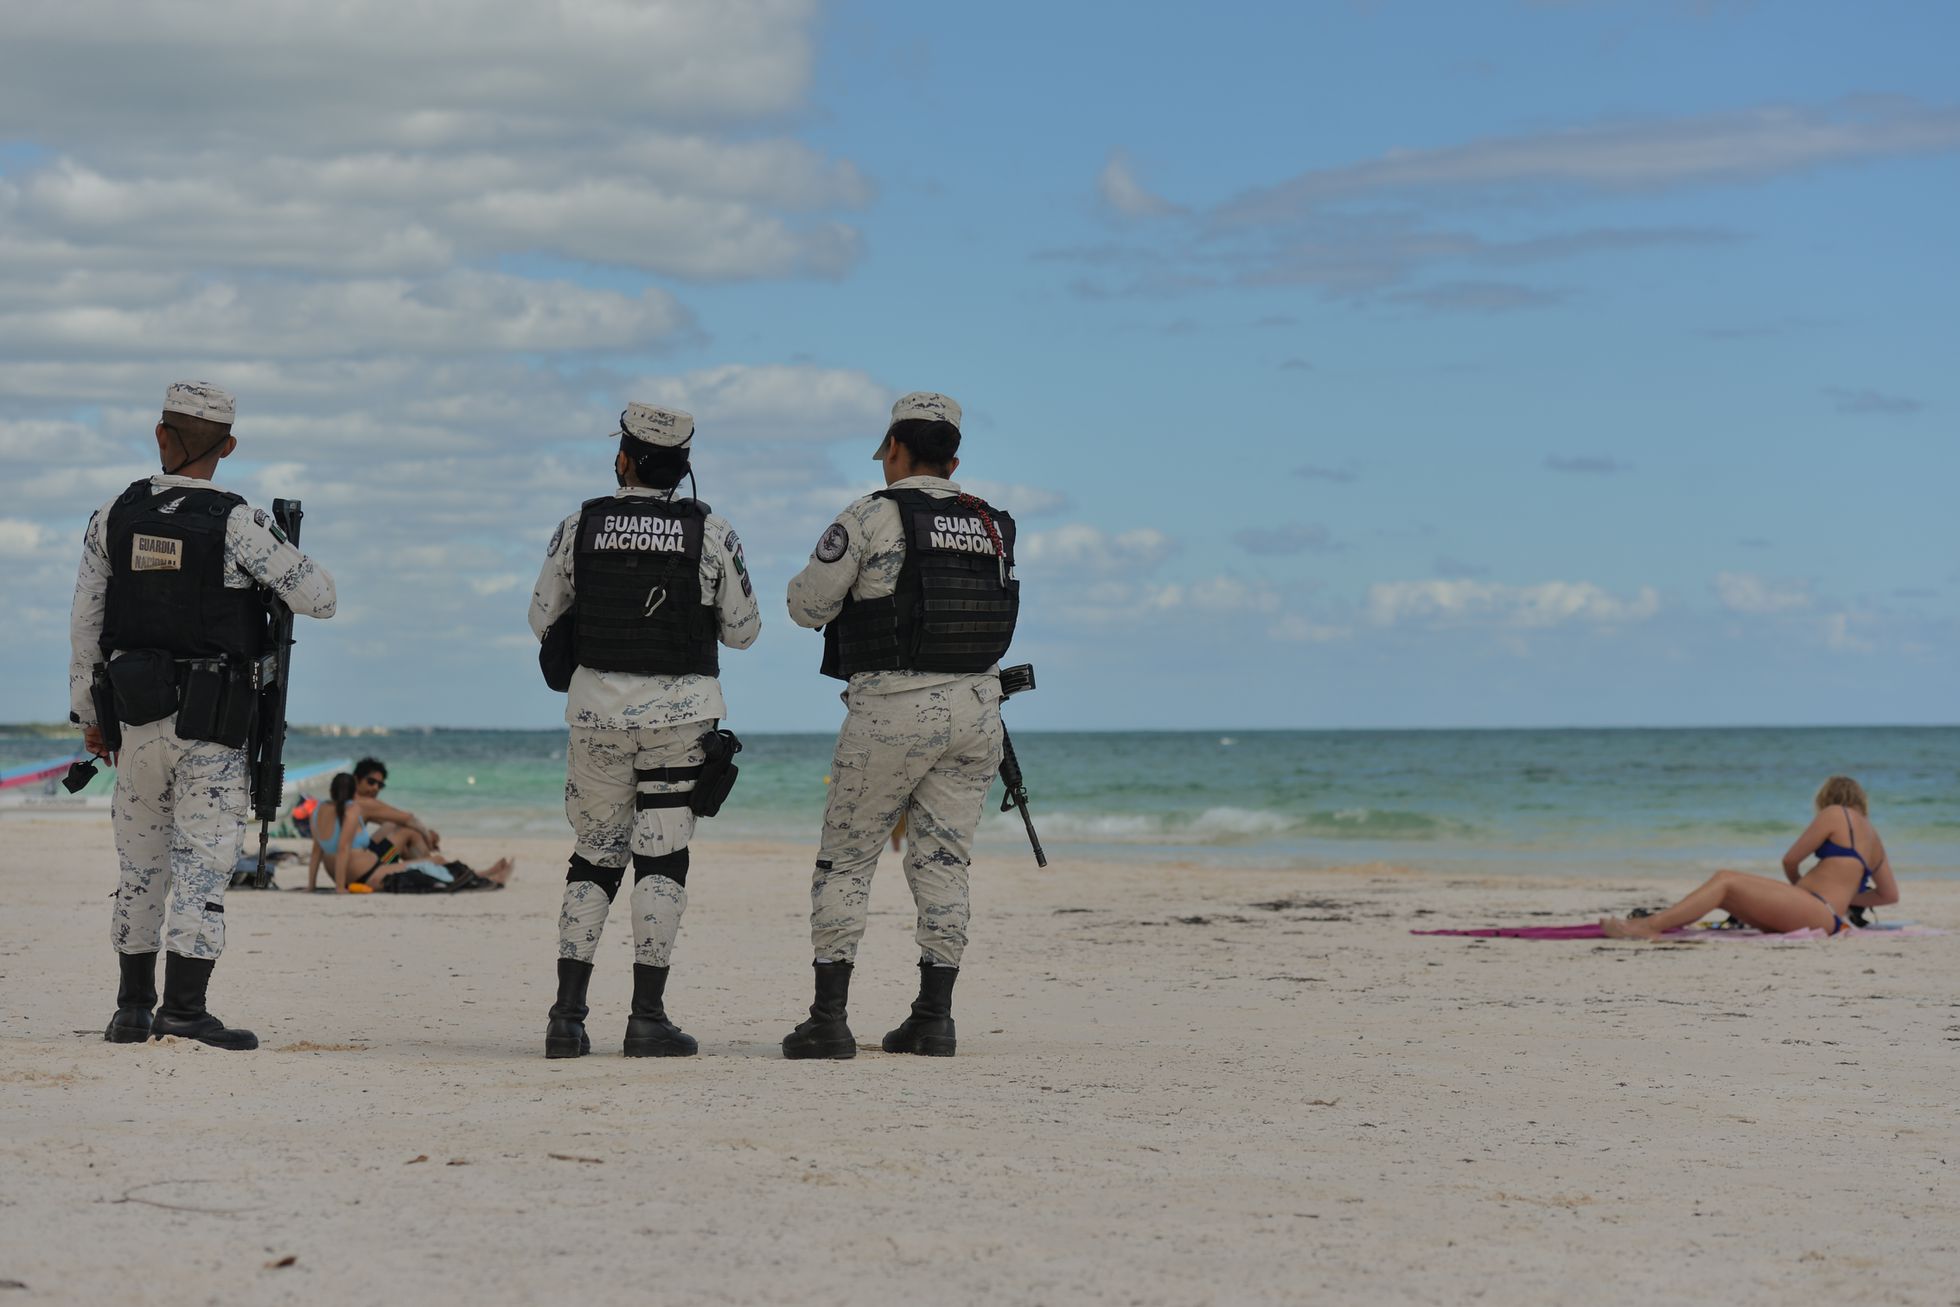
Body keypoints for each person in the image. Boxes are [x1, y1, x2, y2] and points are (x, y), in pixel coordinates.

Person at [70, 382, 337, 1050]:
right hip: (212, 725)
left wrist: (87, 715)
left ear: (160, 435)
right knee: (202, 863)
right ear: (228, 447)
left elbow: (86, 623)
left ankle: (132, 1008)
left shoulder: (114, 513)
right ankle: (185, 1009)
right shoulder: (238, 522)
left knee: (139, 867)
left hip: (132, 719)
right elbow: (320, 597)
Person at [780, 392, 1018, 1060]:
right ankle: (932, 1018)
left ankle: (829, 1021)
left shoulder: (870, 515)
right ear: (956, 458)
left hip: (892, 707)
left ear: (896, 449)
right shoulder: (994, 524)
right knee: (944, 862)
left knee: (847, 859)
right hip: (978, 709)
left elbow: (808, 604)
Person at [528, 402, 761, 1058]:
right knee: (661, 857)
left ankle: (567, 1018)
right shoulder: (712, 530)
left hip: (597, 713)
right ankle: (647, 1017)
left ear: (624, 459)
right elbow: (744, 632)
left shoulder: (581, 525)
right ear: (684, 466)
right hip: (680, 719)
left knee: (595, 854)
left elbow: (542, 612)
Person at [1601, 775, 1901, 939]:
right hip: (1827, 916)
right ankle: (1657, 923)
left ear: (1828, 797)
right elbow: (1888, 895)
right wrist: (1847, 898)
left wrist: (1800, 890)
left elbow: (1790, 860)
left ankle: (1650, 926)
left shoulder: (1835, 813)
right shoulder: (1874, 837)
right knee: (1726, 895)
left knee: (1725, 879)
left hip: (1816, 909)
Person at [304, 773, 511, 892]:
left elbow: (316, 852)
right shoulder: (353, 810)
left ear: (331, 791)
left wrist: (311, 886)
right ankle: (483, 876)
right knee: (435, 861)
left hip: (363, 871)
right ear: (353, 790)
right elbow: (342, 849)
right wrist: (341, 888)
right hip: (368, 875)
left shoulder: (319, 810)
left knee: (402, 837)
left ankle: (482, 874)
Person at [346, 757, 442, 862]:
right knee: (407, 832)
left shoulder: (346, 799)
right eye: (371, 782)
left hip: (350, 862)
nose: (375, 788)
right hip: (363, 867)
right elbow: (408, 818)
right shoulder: (364, 803)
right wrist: (428, 838)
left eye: (380, 785)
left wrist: (425, 833)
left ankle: (423, 866)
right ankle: (432, 868)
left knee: (393, 825)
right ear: (356, 779)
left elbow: (395, 821)